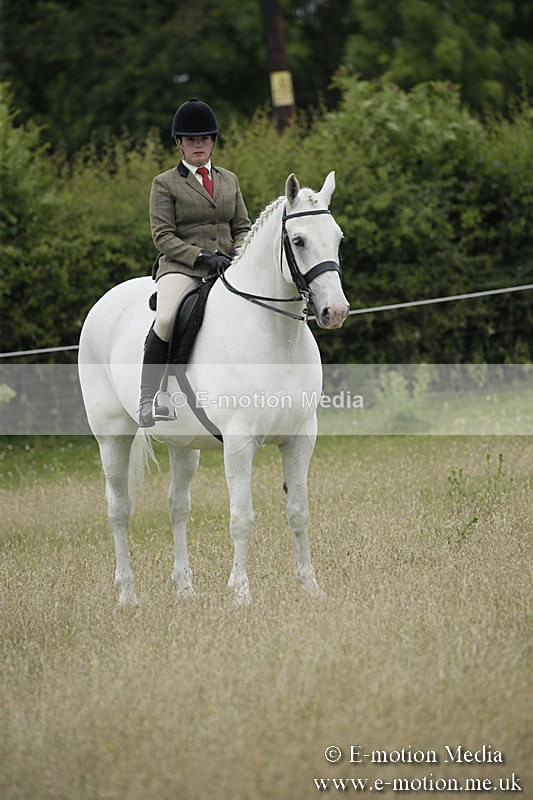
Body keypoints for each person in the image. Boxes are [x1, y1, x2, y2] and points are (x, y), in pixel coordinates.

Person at [139, 98, 252, 427]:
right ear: (179, 144)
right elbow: (163, 237)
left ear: (213, 140)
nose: (198, 145)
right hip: (182, 268)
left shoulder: (229, 179)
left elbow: (242, 226)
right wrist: (203, 257)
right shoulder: (164, 183)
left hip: (228, 266)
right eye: (190, 139)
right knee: (166, 319)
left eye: (203, 138)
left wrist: (237, 256)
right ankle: (151, 397)